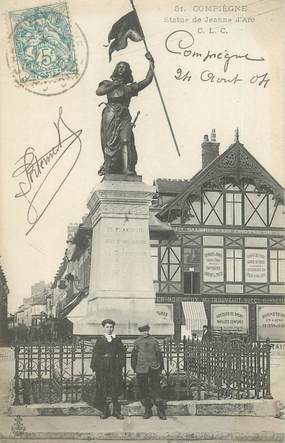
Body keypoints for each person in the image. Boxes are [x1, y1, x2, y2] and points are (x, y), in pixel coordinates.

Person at [96, 52, 154, 176]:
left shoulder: (130, 88)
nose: (122, 68)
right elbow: (99, 92)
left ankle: (127, 169)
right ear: (116, 69)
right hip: (110, 115)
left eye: (125, 67)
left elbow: (147, 81)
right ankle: (110, 166)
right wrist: (113, 86)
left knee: (126, 140)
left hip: (124, 116)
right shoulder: (107, 83)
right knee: (109, 142)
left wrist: (151, 63)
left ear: (128, 72)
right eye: (120, 66)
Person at [90, 319, 125, 419]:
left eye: (111, 327)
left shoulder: (117, 340)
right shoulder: (100, 340)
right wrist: (95, 366)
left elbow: (122, 353)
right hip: (103, 366)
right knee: (103, 387)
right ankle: (105, 410)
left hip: (114, 366)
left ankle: (116, 411)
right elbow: (96, 353)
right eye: (107, 327)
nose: (110, 329)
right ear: (104, 328)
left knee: (114, 387)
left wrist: (120, 364)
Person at [131, 322, 166, 420]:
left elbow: (159, 354)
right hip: (141, 368)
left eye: (146, 331)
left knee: (156, 388)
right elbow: (134, 356)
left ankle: (160, 410)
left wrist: (160, 367)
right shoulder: (137, 341)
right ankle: (147, 409)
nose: (145, 333)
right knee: (143, 389)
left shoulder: (154, 340)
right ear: (140, 332)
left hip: (153, 368)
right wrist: (135, 368)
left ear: (148, 330)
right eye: (142, 331)